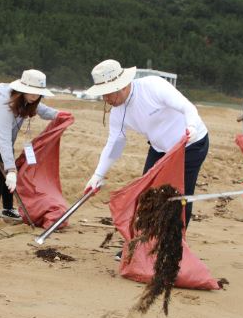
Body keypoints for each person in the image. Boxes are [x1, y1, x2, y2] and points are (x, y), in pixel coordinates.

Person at [82, 59, 209, 227]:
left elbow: (188, 108)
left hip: (191, 144)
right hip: (159, 149)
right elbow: (116, 145)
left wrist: (191, 126)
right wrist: (98, 175)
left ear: (121, 86)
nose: (105, 99)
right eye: (102, 94)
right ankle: (141, 245)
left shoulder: (153, 86)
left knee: (179, 197)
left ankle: (175, 245)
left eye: (108, 93)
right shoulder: (117, 113)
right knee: (146, 194)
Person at [0, 69, 60, 220]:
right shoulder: (4, 103)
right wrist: (11, 169)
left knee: (7, 170)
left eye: (38, 93)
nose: (35, 96)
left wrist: (59, 115)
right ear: (22, 90)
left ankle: (8, 208)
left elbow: (42, 110)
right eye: (31, 92)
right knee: (0, 169)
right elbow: (3, 138)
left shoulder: (28, 100)